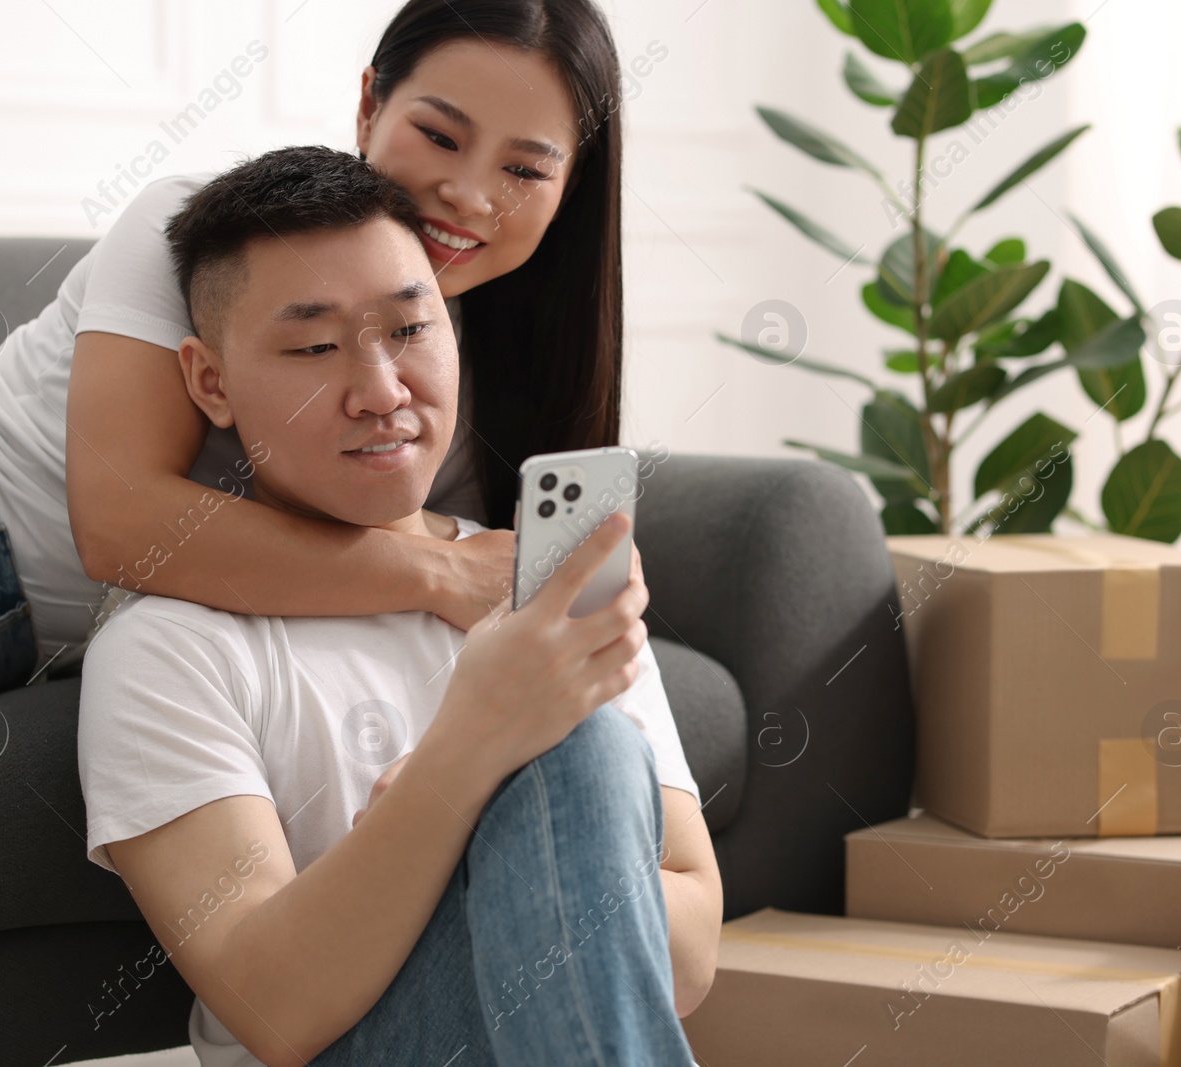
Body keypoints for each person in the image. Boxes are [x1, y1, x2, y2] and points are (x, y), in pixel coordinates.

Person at [0, 0, 632, 831]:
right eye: (440, 135)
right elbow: (120, 525)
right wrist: (439, 573)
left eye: (524, 170)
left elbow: (530, 617)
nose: (466, 192)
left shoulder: (462, 393)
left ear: (570, 187)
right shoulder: (207, 232)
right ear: (370, 103)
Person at [77, 145, 720, 1066]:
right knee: (580, 744)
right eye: (313, 346)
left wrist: (522, 854)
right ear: (210, 381)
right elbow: (276, 1007)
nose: (382, 394)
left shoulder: (540, 587)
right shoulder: (170, 646)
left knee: (586, 749)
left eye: (412, 332)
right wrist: (466, 756)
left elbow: (692, 956)